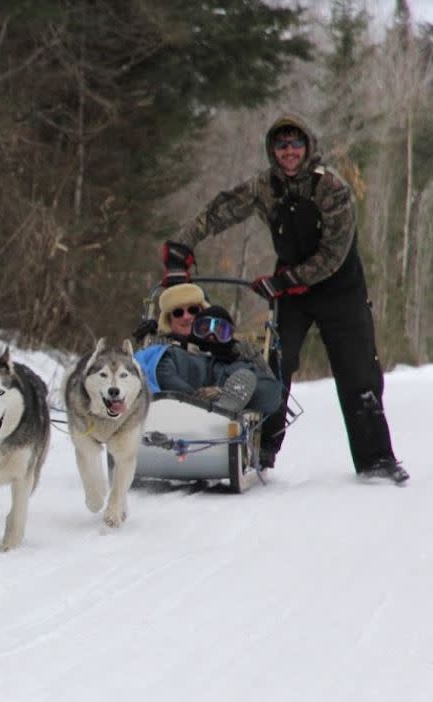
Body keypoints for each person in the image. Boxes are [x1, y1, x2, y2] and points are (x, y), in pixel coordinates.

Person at [160, 112, 407, 483]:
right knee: (274, 365)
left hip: (340, 292)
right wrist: (182, 244)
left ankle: (377, 461)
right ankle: (261, 451)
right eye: (281, 145)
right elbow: (221, 209)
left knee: (358, 374)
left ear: (308, 147)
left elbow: (333, 255)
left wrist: (284, 281)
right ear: (272, 151)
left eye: (295, 144)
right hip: (291, 293)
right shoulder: (265, 186)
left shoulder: (332, 188)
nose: (288, 152)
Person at [135, 305, 281, 417]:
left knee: (251, 380)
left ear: (230, 335)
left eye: (220, 331)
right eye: (204, 329)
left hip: (224, 423)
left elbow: (271, 393)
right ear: (194, 330)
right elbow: (158, 370)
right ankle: (211, 411)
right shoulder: (176, 354)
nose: (211, 335)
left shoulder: (239, 365)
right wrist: (196, 400)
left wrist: (223, 392)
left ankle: (226, 406)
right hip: (180, 410)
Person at [132, 282, 208, 346]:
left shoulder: (216, 345)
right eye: (178, 313)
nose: (186, 317)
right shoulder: (160, 349)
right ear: (168, 320)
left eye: (193, 310)